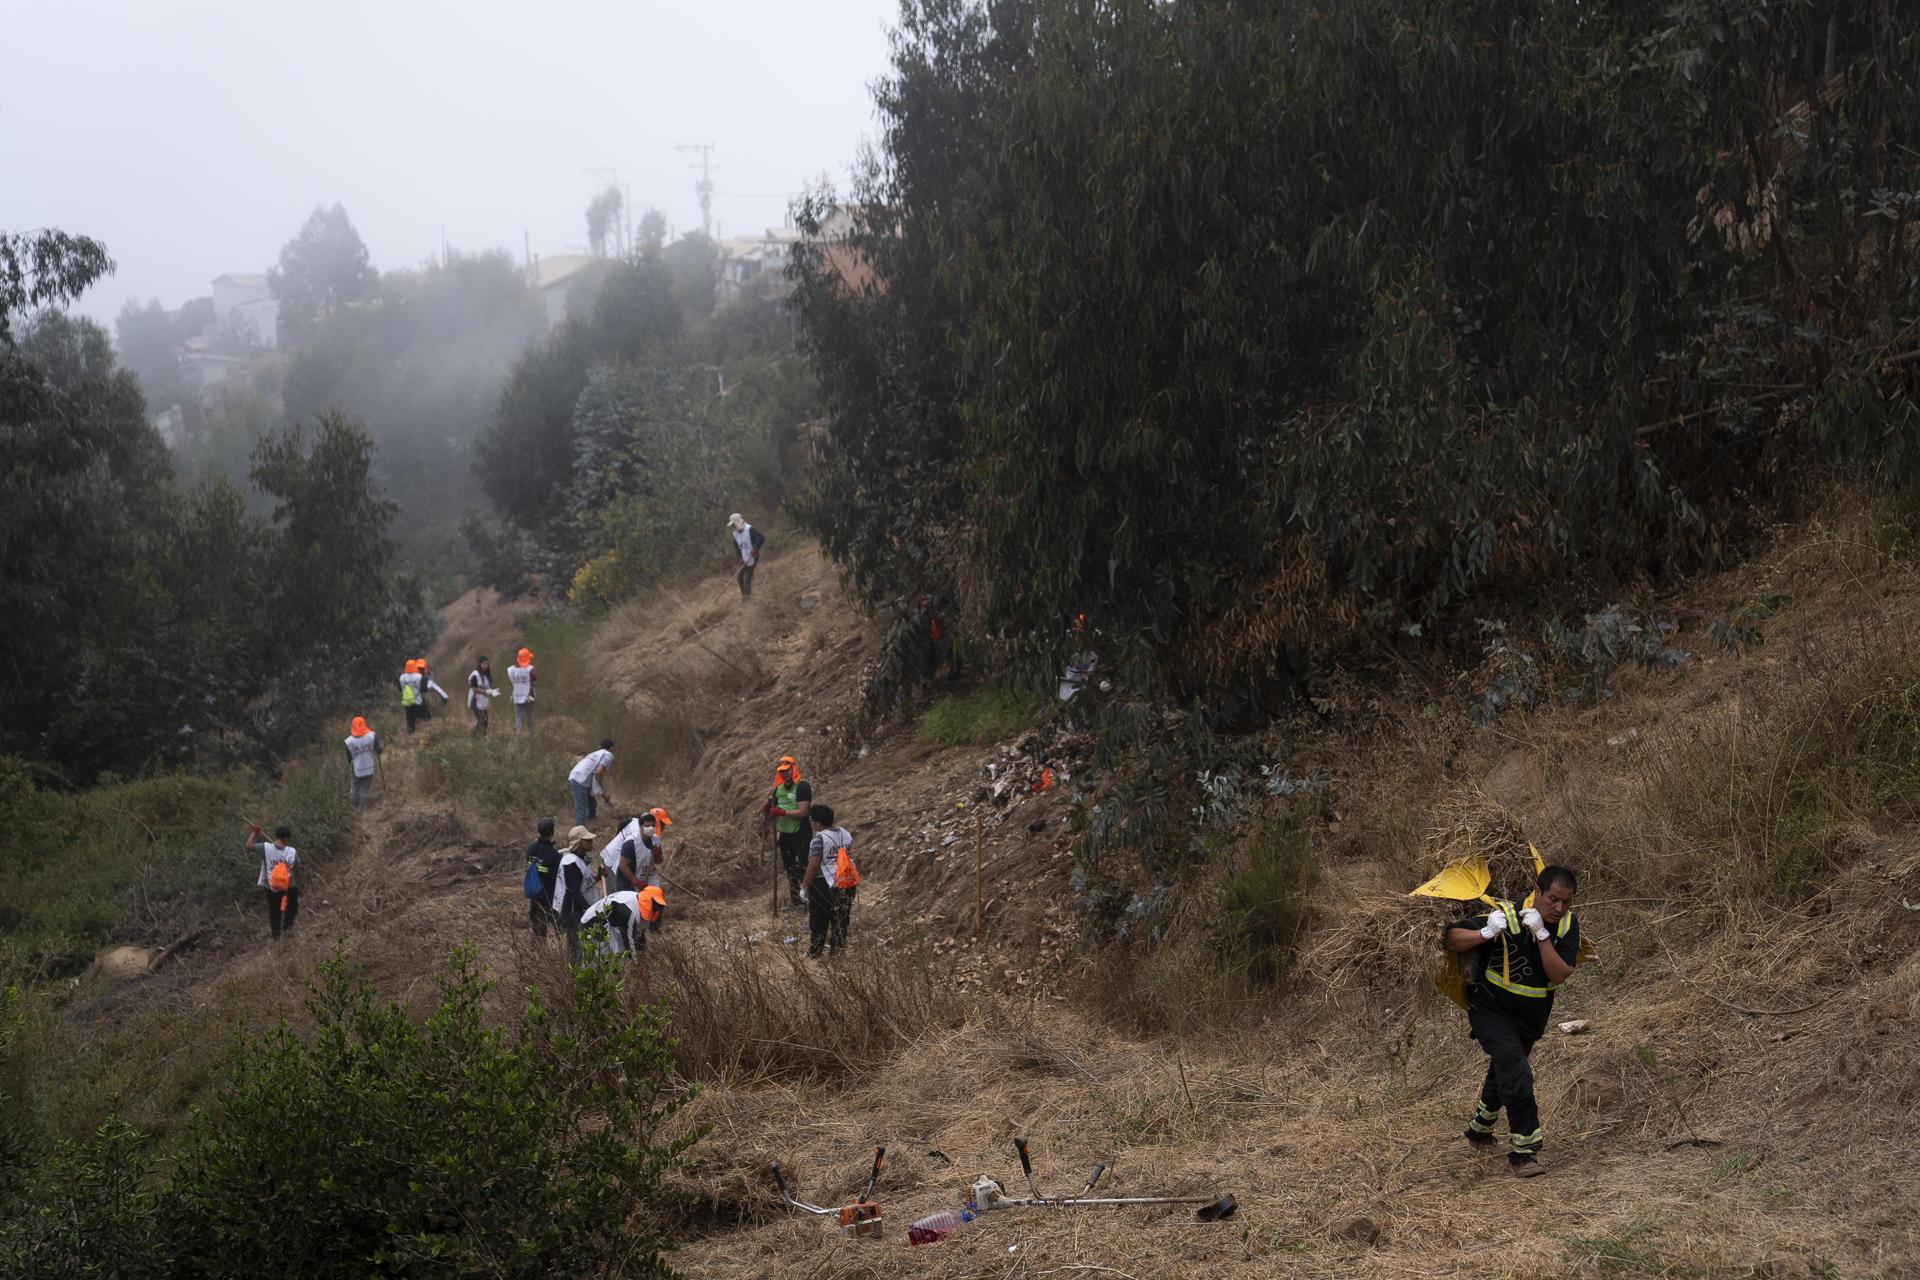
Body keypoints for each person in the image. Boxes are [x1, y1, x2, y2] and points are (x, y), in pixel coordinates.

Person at [1443, 865, 1584, 1178]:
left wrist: (1542, 935)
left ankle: (1479, 1131)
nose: (1559, 908)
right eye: (1552, 899)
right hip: (1490, 1009)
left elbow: (1559, 974)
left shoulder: (1566, 926)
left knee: (1505, 1069)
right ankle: (1524, 1152)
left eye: (1566, 902)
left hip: (1530, 1018)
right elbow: (1452, 937)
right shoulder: (1505, 914)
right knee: (1515, 1069)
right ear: (1537, 892)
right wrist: (1486, 932)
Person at [802, 802, 860, 959]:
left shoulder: (819, 839)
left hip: (824, 884)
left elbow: (813, 865)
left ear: (818, 822)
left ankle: (815, 953)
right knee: (841, 918)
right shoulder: (845, 833)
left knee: (819, 919)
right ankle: (837, 952)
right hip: (846, 880)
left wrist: (804, 886)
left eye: (811, 821)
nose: (811, 823)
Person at [763, 756, 812, 910]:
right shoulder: (778, 789)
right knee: (789, 869)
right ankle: (796, 903)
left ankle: (808, 902)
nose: (785, 774)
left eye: (787, 771)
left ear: (793, 769)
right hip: (784, 834)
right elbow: (772, 810)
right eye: (782, 772)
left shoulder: (802, 786)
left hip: (800, 833)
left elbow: (803, 811)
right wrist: (767, 810)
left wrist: (783, 812)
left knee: (802, 867)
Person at [553, 824, 600, 962]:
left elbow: (583, 884)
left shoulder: (579, 859)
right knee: (577, 949)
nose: (591, 841)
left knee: (581, 947)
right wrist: (591, 910)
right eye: (587, 840)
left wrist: (597, 877)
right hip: (575, 912)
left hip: (579, 911)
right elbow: (575, 892)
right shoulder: (571, 863)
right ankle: (573, 978)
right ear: (579, 843)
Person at [245, 824, 300, 941]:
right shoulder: (292, 851)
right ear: (285, 838)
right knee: (292, 908)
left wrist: (254, 833)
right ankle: (288, 929)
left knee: (274, 911)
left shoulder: (265, 848)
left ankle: (276, 936)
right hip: (289, 886)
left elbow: (248, 845)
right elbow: (297, 865)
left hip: (272, 887)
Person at [578, 889, 641, 960]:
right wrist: (634, 964)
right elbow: (627, 943)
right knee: (599, 963)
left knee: (615, 960)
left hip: (607, 925)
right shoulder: (626, 911)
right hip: (591, 926)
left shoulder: (635, 900)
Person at [525, 816, 561, 938]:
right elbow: (557, 878)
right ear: (552, 832)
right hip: (550, 900)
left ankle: (536, 955)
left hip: (535, 899)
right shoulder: (554, 855)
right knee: (561, 933)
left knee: (538, 935)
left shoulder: (531, 849)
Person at [568, 740, 615, 824]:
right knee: (582, 808)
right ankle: (580, 831)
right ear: (611, 748)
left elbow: (596, 780)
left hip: (576, 776)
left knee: (591, 801)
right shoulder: (608, 755)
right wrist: (600, 785)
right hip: (580, 780)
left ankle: (591, 821)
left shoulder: (596, 753)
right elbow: (599, 772)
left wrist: (603, 794)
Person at [343, 715, 382, 810]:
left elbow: (349, 758)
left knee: (354, 790)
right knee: (366, 790)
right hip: (369, 767)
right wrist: (379, 750)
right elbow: (379, 749)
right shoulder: (372, 736)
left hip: (356, 768)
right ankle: (360, 810)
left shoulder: (349, 741)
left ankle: (354, 808)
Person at [727, 512, 765, 599]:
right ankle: (745, 595)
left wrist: (755, 548)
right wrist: (740, 558)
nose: (733, 527)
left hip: (752, 558)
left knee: (746, 579)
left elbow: (761, 538)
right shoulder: (735, 534)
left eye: (733, 525)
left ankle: (747, 599)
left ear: (737, 522)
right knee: (740, 579)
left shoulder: (750, 530)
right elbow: (737, 548)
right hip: (744, 559)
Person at [467, 656, 498, 738]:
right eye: (484, 664)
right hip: (475, 700)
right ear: (480, 664)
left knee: (486, 719)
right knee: (482, 718)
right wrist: (485, 691)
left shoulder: (486, 675)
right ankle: (474, 735)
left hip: (483, 701)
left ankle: (482, 735)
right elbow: (473, 688)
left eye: (487, 664)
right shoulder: (475, 674)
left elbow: (487, 687)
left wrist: (492, 691)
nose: (486, 666)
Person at [508, 647, 537, 734]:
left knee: (518, 717)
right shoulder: (531, 669)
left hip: (516, 696)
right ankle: (531, 734)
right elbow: (535, 683)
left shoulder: (511, 670)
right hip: (529, 696)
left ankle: (518, 735)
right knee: (530, 715)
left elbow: (511, 683)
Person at [400, 659, 425, 733]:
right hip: (418, 701)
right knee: (424, 717)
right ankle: (424, 731)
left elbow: (401, 689)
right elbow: (423, 688)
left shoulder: (402, 677)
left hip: (407, 702)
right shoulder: (419, 676)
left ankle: (410, 733)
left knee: (410, 719)